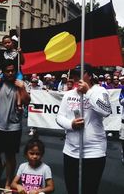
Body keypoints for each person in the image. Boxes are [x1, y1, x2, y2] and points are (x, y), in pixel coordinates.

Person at [56, 63, 112, 194]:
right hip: (71, 151)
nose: (77, 77)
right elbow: (59, 117)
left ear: (90, 75)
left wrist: (88, 92)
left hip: (94, 151)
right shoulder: (68, 94)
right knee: (72, 189)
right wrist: (71, 124)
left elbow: (106, 111)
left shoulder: (100, 91)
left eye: (80, 74)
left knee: (90, 189)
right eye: (75, 74)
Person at [0, 59, 30, 190]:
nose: (10, 73)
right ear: (3, 72)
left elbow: (27, 101)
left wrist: (22, 88)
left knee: (10, 156)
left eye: (12, 71)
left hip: (14, 127)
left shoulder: (20, 83)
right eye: (7, 71)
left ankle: (8, 183)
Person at [0, 35, 25, 110]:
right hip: (5, 74)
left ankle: (19, 104)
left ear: (12, 43)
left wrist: (21, 53)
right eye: (5, 43)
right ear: (3, 44)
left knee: (19, 84)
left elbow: (22, 62)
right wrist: (0, 71)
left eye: (9, 42)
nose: (7, 44)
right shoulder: (3, 54)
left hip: (16, 72)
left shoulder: (17, 52)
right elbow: (2, 64)